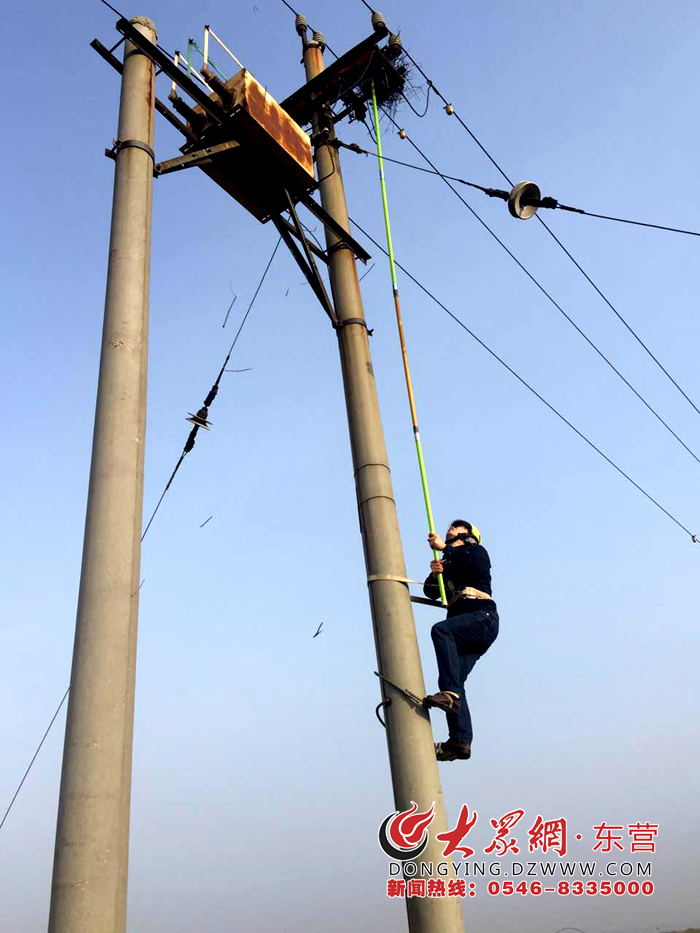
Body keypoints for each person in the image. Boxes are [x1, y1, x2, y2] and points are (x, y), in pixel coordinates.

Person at [423, 520, 499, 762]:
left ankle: (449, 696)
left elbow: (473, 564)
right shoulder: (451, 561)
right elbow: (431, 591)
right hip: (466, 626)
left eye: (457, 527)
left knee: (440, 632)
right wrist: (436, 573)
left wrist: (445, 548)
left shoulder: (475, 552)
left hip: (481, 617)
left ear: (468, 536)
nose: (451, 528)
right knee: (455, 682)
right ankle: (460, 740)